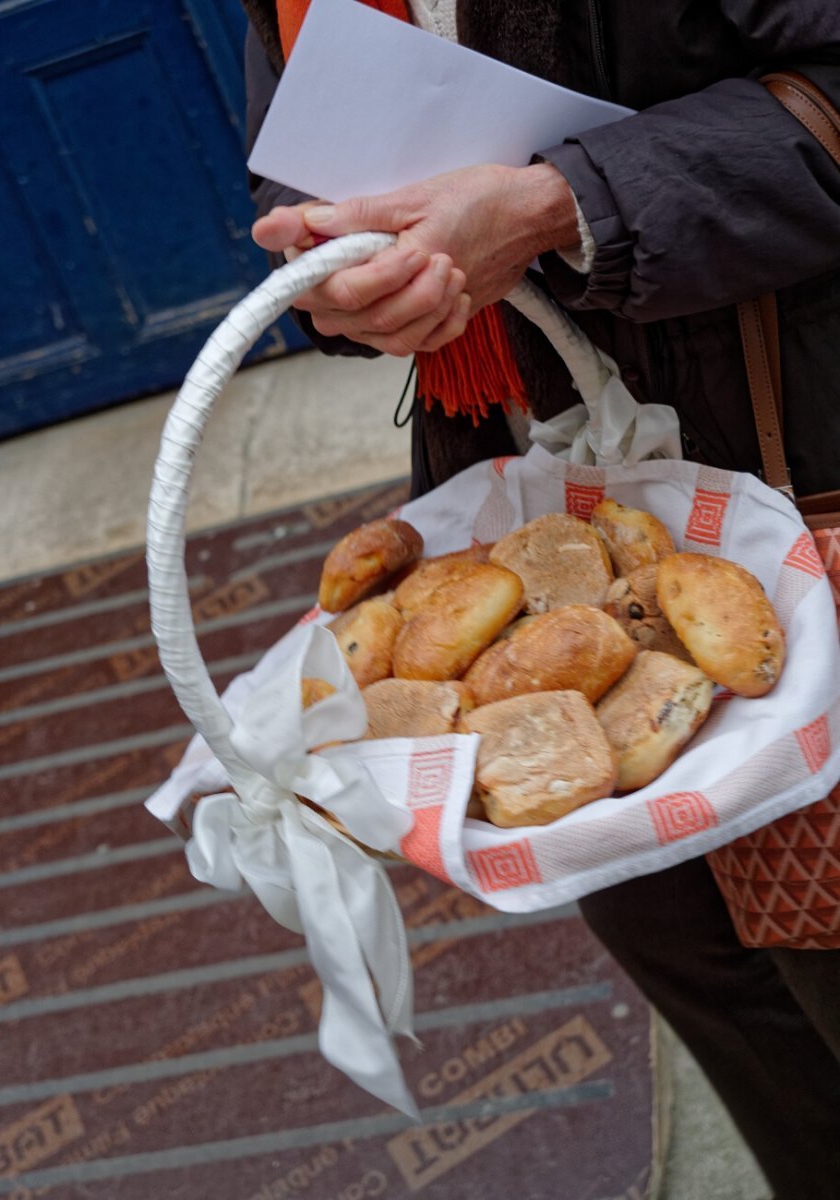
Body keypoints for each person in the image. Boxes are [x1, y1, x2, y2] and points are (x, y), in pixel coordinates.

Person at [240, 2, 840, 1196]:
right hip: (533, 514)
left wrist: (565, 206)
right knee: (701, 969)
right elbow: (301, 164)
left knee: (826, 934)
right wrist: (345, 284)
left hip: (791, 483)